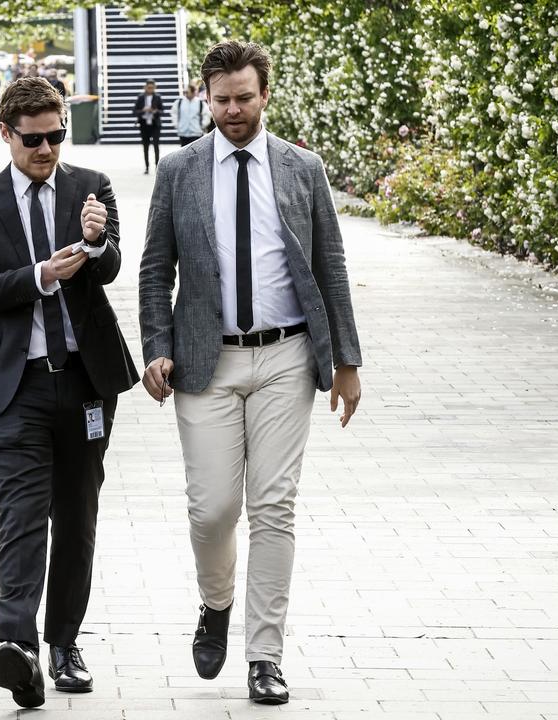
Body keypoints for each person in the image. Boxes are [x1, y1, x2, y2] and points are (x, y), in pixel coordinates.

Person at [137, 41, 362, 706]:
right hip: (205, 362)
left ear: (266, 94)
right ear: (204, 96)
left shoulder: (301, 168)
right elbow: (155, 269)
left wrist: (347, 363)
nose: (233, 110)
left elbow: (332, 265)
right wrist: (156, 346)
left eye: (244, 97)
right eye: (221, 98)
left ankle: (265, 655)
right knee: (212, 510)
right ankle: (216, 602)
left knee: (274, 506)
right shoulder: (180, 170)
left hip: (288, 358)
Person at [0, 76, 140, 709]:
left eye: (57, 136)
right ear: (6, 134)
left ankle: (64, 644)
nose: (48, 150)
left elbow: (111, 270)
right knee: (21, 516)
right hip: (17, 386)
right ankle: (19, 648)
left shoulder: (91, 187)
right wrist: (40, 275)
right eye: (34, 140)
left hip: (87, 383)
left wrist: (95, 242)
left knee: (77, 518)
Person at [133, 79, 164, 174]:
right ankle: (147, 167)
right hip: (144, 124)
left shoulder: (158, 97)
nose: (150, 89)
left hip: (155, 124)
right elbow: (134, 111)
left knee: (156, 146)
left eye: (152, 88)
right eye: (148, 87)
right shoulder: (141, 97)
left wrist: (155, 111)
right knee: (145, 146)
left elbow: (162, 110)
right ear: (145, 87)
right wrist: (143, 110)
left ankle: (157, 166)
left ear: (155, 88)